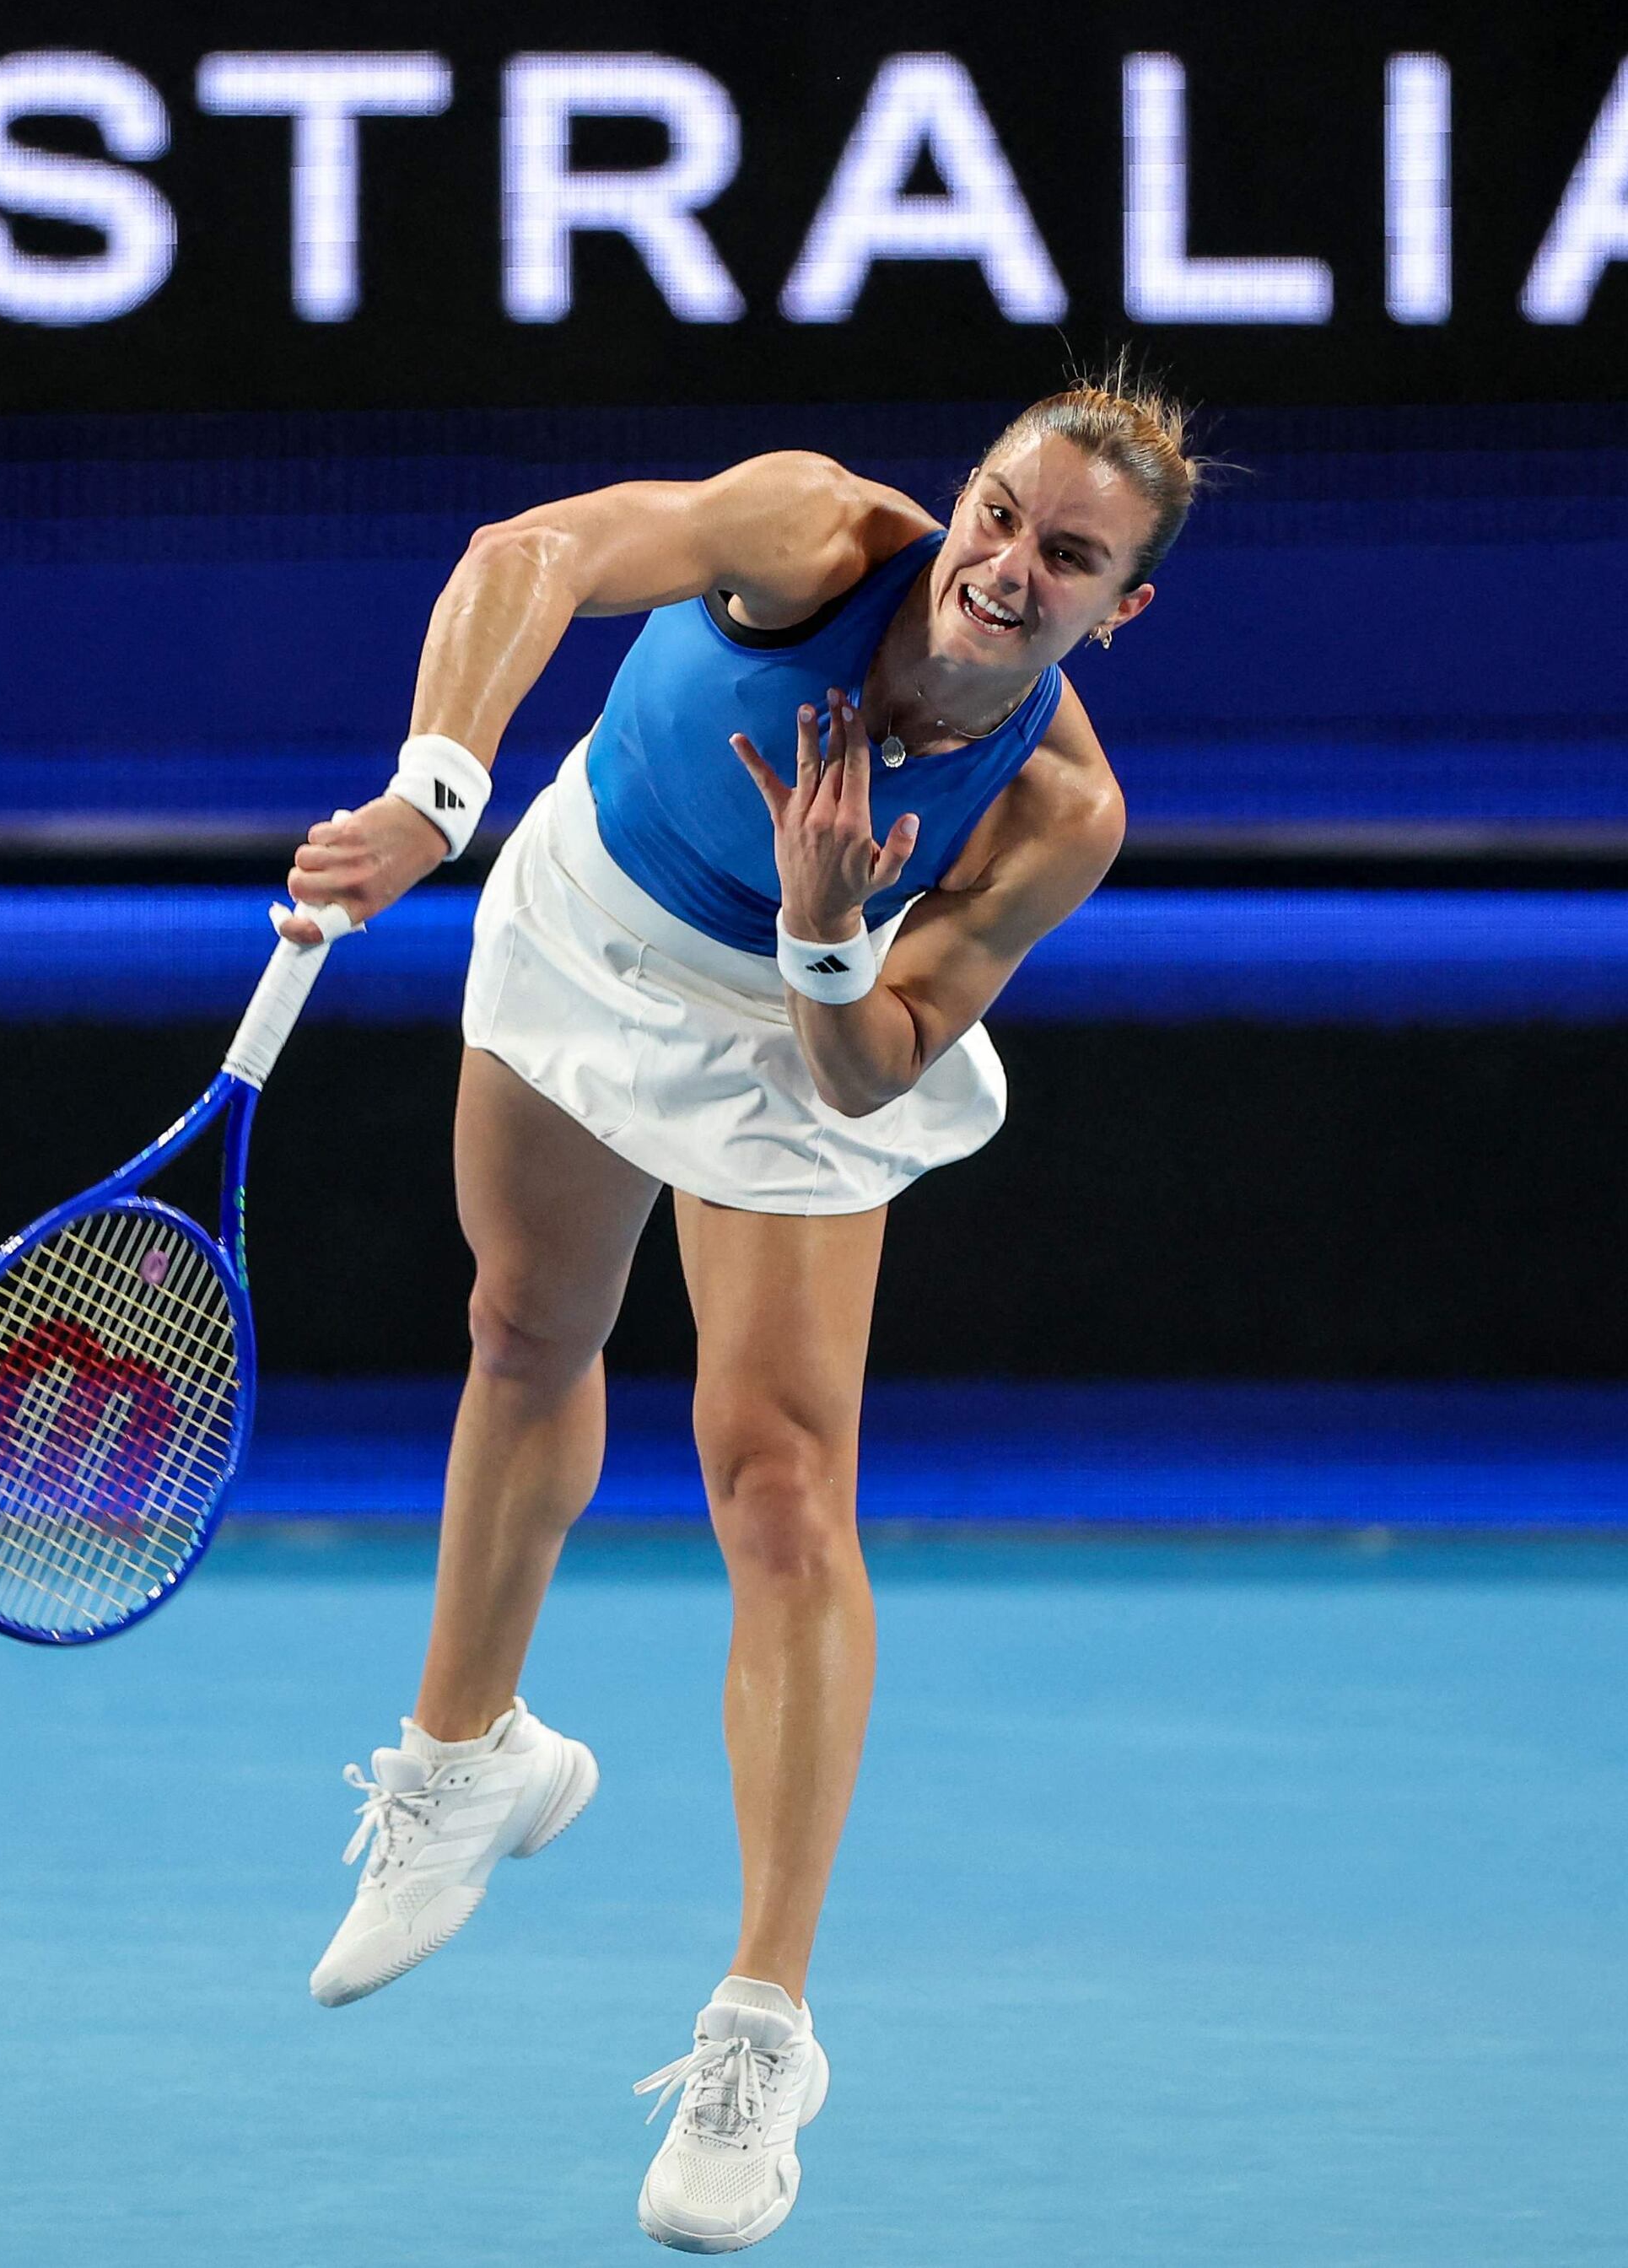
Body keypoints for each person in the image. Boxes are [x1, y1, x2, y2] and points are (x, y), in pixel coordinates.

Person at [273, 371, 1208, 2252]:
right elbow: (531, 551)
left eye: (1070, 557)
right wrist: (432, 798)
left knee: (777, 1483)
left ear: (1124, 609)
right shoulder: (812, 533)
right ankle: (468, 1758)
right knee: (524, 1333)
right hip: (592, 912)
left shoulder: (1057, 810)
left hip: (797, 1022)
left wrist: (826, 926)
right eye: (1001, 511)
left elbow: (868, 1070)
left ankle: (761, 2030)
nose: (1008, 564)